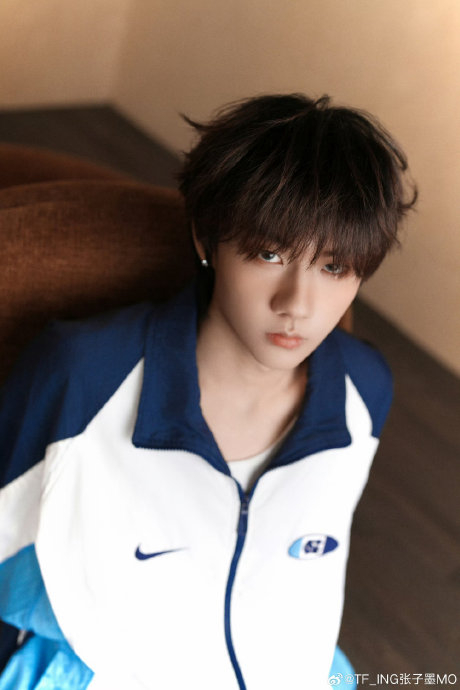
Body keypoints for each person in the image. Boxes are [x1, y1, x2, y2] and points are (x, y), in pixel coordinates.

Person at [0, 93, 416, 689]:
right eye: (269, 253)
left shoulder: (363, 389)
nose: (297, 304)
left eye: (333, 267)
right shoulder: (85, 374)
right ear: (206, 239)